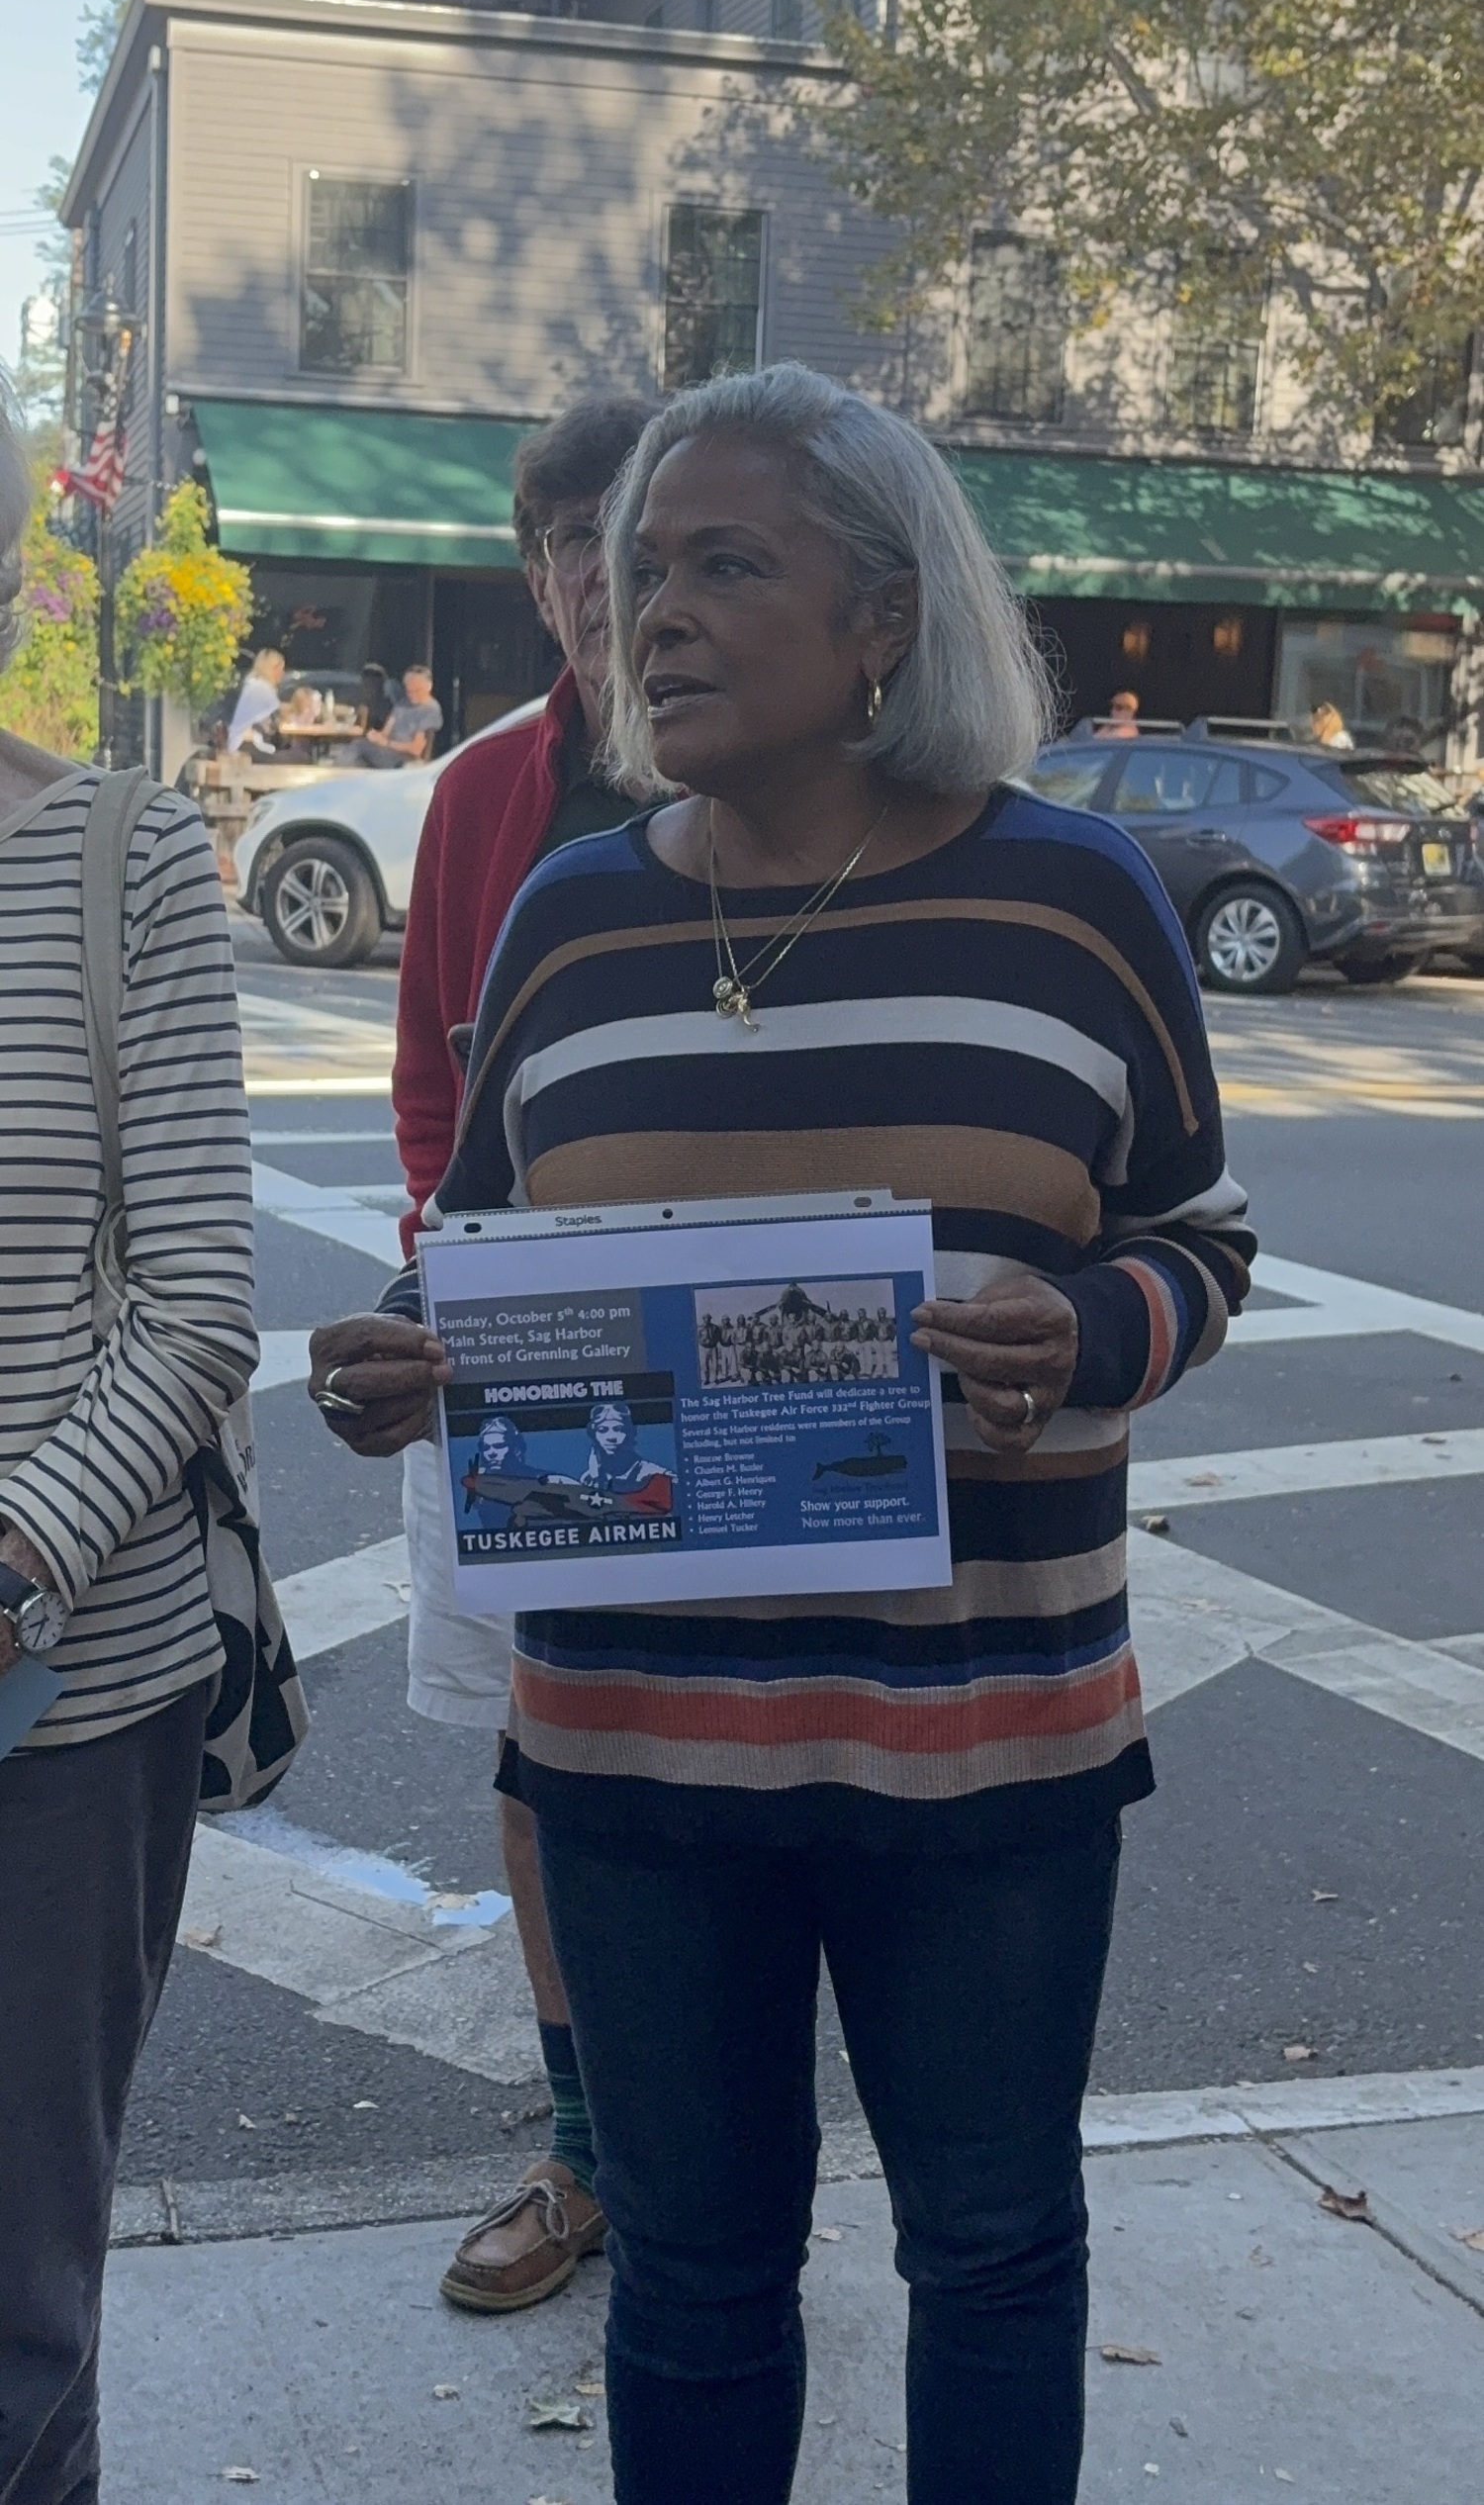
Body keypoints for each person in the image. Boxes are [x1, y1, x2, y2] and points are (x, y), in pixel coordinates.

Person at [308, 363, 1254, 2503]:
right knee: (700, 2275)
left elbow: (1198, 1228)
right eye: (640, 566)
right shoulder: (570, 920)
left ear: (888, 614)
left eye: (729, 561)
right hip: (635, 1757)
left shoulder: (1077, 897)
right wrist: (400, 1352)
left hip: (987, 1740)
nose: (656, 610)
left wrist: (1091, 1323)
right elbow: (476, 1251)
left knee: (997, 2246)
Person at [0, 393, 259, 2505]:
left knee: (13, 2299)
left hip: (59, 1689)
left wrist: (12, 1546)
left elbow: (193, 1307)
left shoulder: (116, 852)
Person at [385, 396, 660, 2317]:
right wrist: (453, 1273)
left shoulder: (825, 776)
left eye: (623, 535)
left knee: (741, 1755)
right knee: (533, 1746)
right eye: (557, 540)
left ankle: (705, 2148)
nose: (587, 576)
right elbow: (430, 1083)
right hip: (518, 1341)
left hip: (739, 1360)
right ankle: (585, 2146)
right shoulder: (487, 790)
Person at [335, 662, 444, 768]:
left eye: (417, 690)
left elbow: (416, 749)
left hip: (406, 759)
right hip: (387, 752)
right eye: (409, 691)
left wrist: (386, 743)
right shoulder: (402, 703)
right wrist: (376, 736)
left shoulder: (430, 710)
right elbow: (386, 731)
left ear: (429, 687)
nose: (412, 695)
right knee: (357, 746)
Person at [225, 646, 285, 754]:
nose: (283, 674)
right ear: (274, 669)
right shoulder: (262, 689)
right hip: (248, 744)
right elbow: (279, 712)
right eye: (281, 669)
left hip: (247, 743)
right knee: (303, 758)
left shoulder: (254, 684)